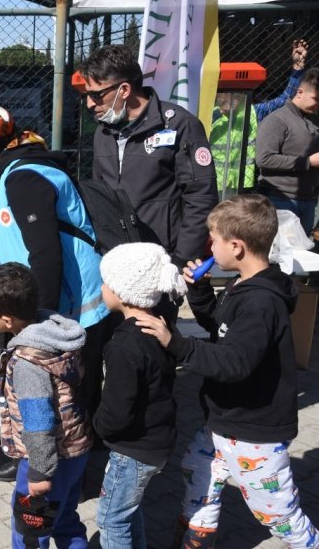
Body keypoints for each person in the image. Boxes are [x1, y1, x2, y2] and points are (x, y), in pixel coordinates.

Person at [136, 194, 317, 547]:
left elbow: (233, 362)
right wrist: (200, 291)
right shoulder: (242, 284)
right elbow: (221, 328)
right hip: (225, 418)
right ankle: (197, 536)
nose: (209, 247)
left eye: (213, 240)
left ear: (236, 247)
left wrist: (176, 344)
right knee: (197, 468)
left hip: (253, 428)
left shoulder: (261, 302)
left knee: (278, 514)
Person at [0, 106, 112, 483]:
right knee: (61, 389)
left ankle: (66, 471)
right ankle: (54, 461)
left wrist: (39, 326)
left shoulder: (23, 177)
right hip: (41, 302)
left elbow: (46, 254)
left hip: (65, 307)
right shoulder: (9, 170)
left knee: (62, 392)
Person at [0, 263, 91, 549]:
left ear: (7, 320)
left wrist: (40, 472)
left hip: (46, 460)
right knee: (65, 520)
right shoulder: (57, 335)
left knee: (30, 531)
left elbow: (38, 421)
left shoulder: (28, 362)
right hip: (76, 449)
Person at [80, 45, 218, 277]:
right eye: (87, 95)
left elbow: (201, 196)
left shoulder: (179, 125)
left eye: (96, 95)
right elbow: (101, 197)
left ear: (124, 90)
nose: (90, 104)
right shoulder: (102, 133)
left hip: (163, 261)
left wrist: (181, 261)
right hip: (116, 260)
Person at [92, 243, 186, 549]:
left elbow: (118, 408)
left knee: (111, 519)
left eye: (106, 283)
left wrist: (99, 426)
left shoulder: (123, 346)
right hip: (156, 439)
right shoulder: (160, 326)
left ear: (122, 293)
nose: (102, 288)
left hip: (133, 449)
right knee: (127, 512)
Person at [211, 39, 309, 194]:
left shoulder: (254, 112)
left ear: (240, 96)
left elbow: (285, 99)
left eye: (230, 96)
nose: (224, 99)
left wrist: (297, 67)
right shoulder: (210, 115)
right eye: (220, 96)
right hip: (213, 182)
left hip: (242, 184)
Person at [255, 67, 319, 235]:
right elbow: (264, 159)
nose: (318, 104)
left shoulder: (314, 121)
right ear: (300, 92)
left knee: (302, 249)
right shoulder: (277, 120)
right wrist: (308, 162)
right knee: (280, 249)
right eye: (316, 99)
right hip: (279, 199)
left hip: (308, 199)